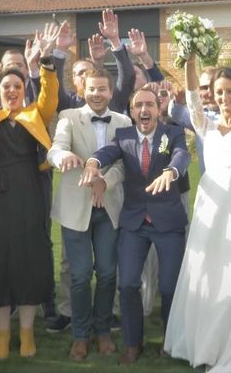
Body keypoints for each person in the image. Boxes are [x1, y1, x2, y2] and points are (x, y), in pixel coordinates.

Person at [164, 20, 231, 372]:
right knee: (209, 269)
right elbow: (193, 96)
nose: (224, 97)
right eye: (220, 91)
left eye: (230, 91)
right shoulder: (205, 124)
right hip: (210, 201)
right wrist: (190, 59)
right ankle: (207, 341)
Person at [0, 21, 59, 360]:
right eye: (6, 86)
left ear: (23, 89)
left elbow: (50, 95)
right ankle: (3, 335)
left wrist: (46, 61)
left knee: (30, 259)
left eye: (17, 85)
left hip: (30, 196)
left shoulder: (36, 114)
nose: (12, 90)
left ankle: (28, 332)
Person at [79, 86, 190, 365]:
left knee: (169, 287)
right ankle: (132, 344)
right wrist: (93, 163)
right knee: (127, 284)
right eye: (138, 105)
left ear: (158, 109)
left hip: (168, 221)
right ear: (131, 112)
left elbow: (181, 156)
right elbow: (107, 152)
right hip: (134, 222)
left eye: (149, 105)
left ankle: (171, 340)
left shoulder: (172, 133)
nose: (144, 109)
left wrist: (171, 171)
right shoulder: (124, 136)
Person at [47, 68, 132, 361]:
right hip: (76, 209)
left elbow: (124, 164)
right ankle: (81, 336)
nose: (97, 94)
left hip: (109, 207)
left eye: (103, 89)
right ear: (83, 89)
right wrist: (62, 157)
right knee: (81, 275)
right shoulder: (68, 117)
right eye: (92, 89)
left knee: (108, 274)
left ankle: (103, 330)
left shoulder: (123, 121)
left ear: (111, 92)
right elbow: (55, 149)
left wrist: (104, 182)